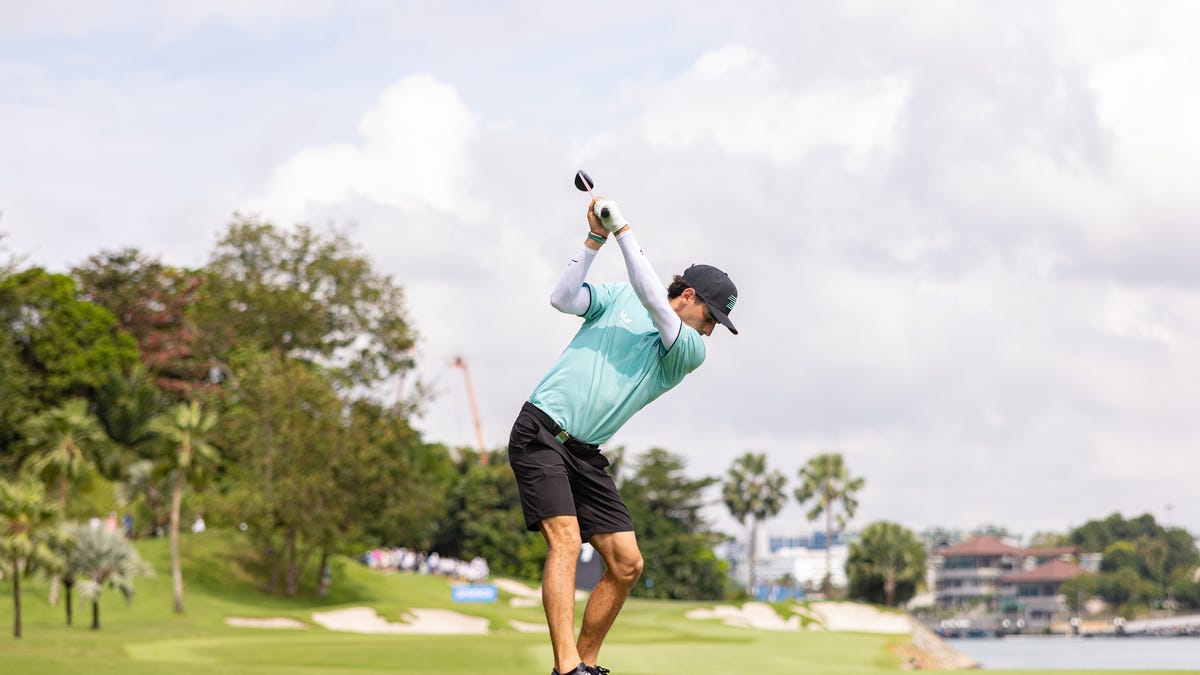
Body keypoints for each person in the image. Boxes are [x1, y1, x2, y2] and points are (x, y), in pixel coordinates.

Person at [508, 195, 738, 675]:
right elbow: (563, 298)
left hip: (586, 455)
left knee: (628, 564)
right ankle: (567, 667)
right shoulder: (617, 298)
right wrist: (595, 238)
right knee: (567, 541)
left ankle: (586, 662)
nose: (712, 330)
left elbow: (655, 297)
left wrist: (624, 231)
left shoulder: (688, 349)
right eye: (713, 316)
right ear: (691, 296)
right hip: (541, 431)